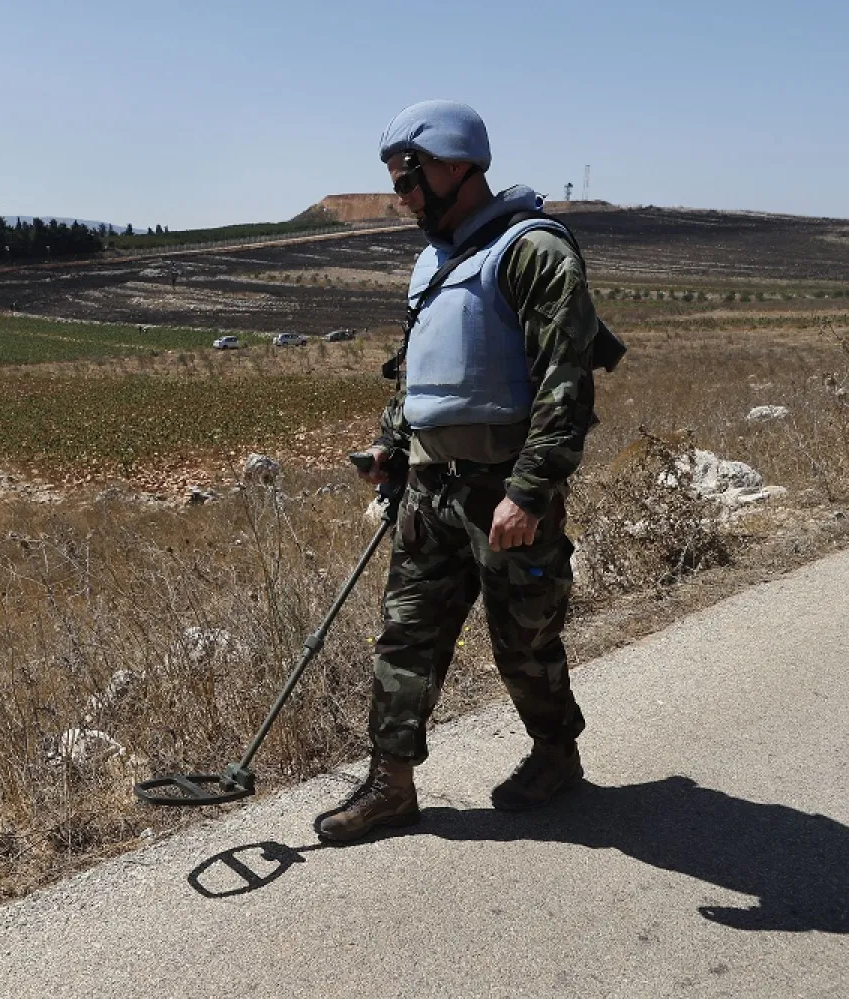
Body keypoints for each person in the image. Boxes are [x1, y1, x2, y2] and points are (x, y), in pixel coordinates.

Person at [315, 100, 598, 843]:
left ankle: (556, 750)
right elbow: (419, 378)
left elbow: (565, 388)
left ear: (453, 167)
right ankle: (391, 784)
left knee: (523, 639)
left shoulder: (534, 251)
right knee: (406, 634)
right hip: (429, 488)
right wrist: (388, 446)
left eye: (408, 181)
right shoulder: (436, 258)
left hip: (503, 489)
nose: (401, 198)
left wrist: (529, 492)